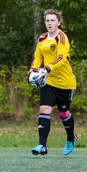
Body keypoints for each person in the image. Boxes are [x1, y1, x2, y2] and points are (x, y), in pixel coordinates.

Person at [29, 9, 77, 156]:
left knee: (63, 112)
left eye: (52, 20)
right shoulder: (42, 38)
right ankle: (42, 146)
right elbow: (38, 56)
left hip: (65, 83)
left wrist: (48, 68)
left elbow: (62, 58)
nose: (50, 23)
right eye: (47, 21)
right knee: (44, 109)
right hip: (48, 81)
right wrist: (34, 70)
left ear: (59, 22)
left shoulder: (62, 38)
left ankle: (70, 138)